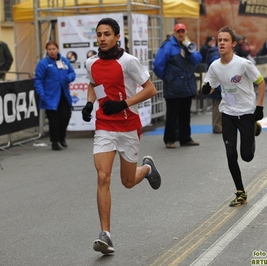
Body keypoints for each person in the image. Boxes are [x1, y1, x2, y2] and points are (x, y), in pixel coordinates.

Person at [81, 17, 161, 255]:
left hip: (128, 128)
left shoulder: (128, 62)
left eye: (107, 34)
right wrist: (88, 104)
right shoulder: (91, 63)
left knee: (127, 182)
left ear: (117, 37)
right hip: (104, 126)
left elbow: (150, 89)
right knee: (103, 176)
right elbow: (94, 85)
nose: (102, 38)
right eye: (99, 34)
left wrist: (123, 104)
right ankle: (105, 234)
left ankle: (147, 169)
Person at [202, 26, 265, 207]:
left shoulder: (243, 64)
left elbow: (261, 83)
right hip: (228, 113)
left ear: (234, 44)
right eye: (219, 40)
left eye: (225, 40)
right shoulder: (214, 66)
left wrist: (259, 107)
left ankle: (254, 127)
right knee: (231, 154)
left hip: (246, 113)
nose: (221, 43)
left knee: (247, 156)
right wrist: (207, 89)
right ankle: (240, 192)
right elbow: (211, 85)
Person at [153, 23, 202, 149]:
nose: (181, 34)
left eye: (183, 31)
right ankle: (170, 139)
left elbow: (198, 59)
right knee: (172, 115)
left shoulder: (186, 45)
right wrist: (168, 78)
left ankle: (185, 138)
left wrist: (190, 52)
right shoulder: (168, 46)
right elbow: (158, 65)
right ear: (175, 32)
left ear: (185, 32)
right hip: (173, 87)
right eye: (178, 31)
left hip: (186, 86)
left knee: (185, 114)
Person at [34, 40, 76, 151]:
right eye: (49, 49)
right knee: (54, 120)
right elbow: (38, 79)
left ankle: (62, 137)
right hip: (50, 95)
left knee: (66, 116)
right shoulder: (43, 63)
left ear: (57, 49)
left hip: (63, 94)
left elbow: (72, 73)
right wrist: (41, 93)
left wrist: (70, 78)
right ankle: (54, 141)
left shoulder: (64, 61)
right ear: (47, 51)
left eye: (53, 49)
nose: (52, 51)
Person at [205, 44, 222, 133]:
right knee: (217, 105)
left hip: (216, 83)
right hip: (216, 84)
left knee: (219, 105)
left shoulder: (215, 53)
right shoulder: (215, 55)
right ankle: (217, 125)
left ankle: (219, 125)